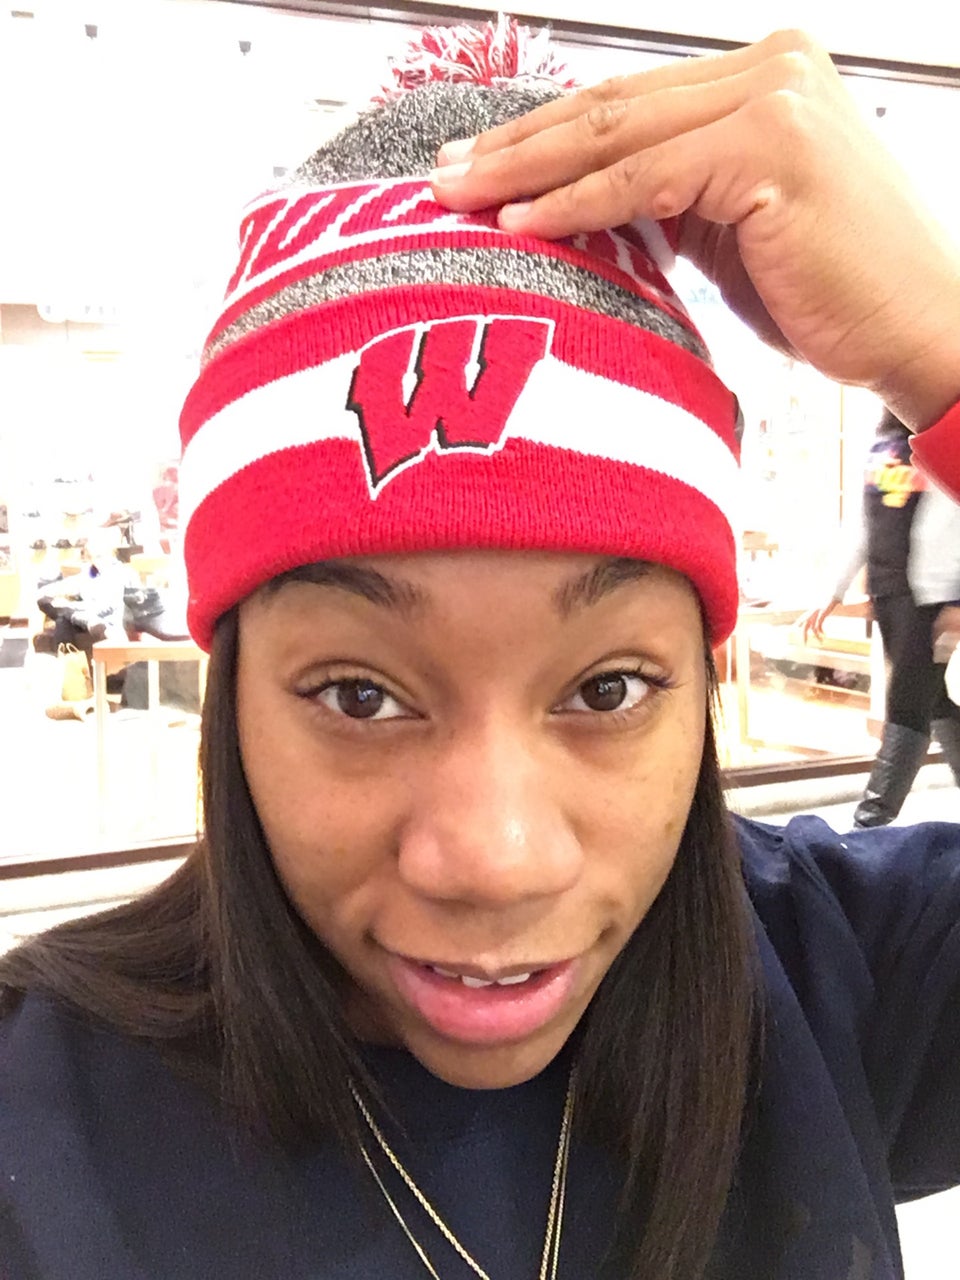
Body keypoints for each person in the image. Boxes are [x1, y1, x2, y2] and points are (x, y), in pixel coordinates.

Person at [2, 19, 960, 1280]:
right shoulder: (45, 1125)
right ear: (231, 693)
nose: (497, 861)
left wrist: (943, 354)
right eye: (359, 694)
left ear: (702, 680)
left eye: (608, 687)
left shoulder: (846, 979)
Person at [800, 409, 960, 826]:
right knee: (933, 701)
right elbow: (862, 523)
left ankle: (866, 826)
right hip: (889, 594)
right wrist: (832, 590)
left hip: (932, 599)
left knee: (907, 708)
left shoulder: (948, 431)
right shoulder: (883, 443)